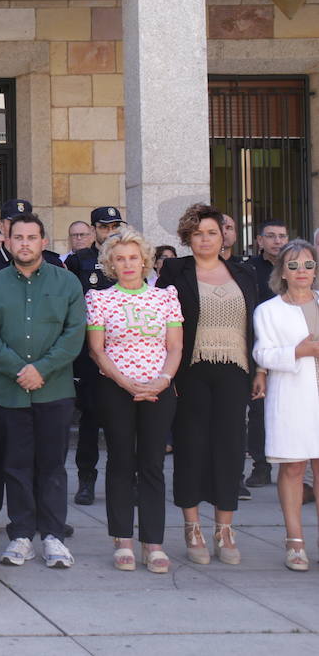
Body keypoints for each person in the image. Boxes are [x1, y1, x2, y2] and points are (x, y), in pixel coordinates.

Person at [0, 213, 85, 569]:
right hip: (10, 392)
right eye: (17, 237)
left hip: (54, 390)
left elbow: (74, 334)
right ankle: (21, 535)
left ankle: (53, 536)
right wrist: (18, 370)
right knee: (16, 465)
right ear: (6, 241)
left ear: (43, 241)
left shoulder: (67, 283)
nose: (24, 243)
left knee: (52, 465)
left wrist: (42, 369)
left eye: (31, 237)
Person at [156, 202, 259, 566]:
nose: (205, 239)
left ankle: (224, 529)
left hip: (235, 370)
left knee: (231, 447)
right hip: (191, 373)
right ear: (188, 237)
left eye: (212, 232)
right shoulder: (174, 270)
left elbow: (253, 326)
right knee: (192, 447)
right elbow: (162, 324)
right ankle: (193, 527)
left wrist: (258, 370)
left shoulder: (243, 274)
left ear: (224, 236)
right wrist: (168, 373)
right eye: (198, 233)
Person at [84, 229, 182, 573]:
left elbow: (175, 347)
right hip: (116, 388)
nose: (127, 264)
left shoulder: (165, 297)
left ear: (145, 261)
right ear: (111, 263)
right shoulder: (99, 299)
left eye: (134, 257)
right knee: (121, 461)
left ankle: (153, 543)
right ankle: (123, 539)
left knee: (153, 464)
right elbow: (97, 350)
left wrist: (162, 380)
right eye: (120, 258)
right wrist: (126, 383)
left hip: (158, 389)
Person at [0, 198, 65, 526]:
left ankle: (45, 517)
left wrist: (40, 367)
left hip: (47, 376)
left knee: (46, 451)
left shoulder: (53, 264)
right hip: (1, 374)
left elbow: (67, 324)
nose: (17, 232)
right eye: (9, 222)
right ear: (4, 228)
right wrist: (17, 366)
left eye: (27, 231)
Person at [252, 239, 319, 570]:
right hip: (293, 394)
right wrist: (298, 351)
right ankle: (295, 542)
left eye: (308, 265)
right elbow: (262, 354)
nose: (302, 272)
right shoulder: (269, 311)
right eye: (293, 266)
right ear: (282, 271)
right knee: (292, 466)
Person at [65, 206, 126, 507]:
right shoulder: (79, 261)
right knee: (90, 419)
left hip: (124, 351)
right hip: (89, 352)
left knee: (123, 421)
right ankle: (86, 480)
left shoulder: (127, 258)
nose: (110, 231)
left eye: (115, 226)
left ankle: (126, 481)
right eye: (104, 227)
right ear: (93, 231)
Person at [242, 219, 288, 491]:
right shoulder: (249, 269)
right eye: (270, 236)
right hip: (258, 346)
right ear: (259, 240)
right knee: (258, 408)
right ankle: (261, 466)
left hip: (292, 347)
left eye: (281, 236)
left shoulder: (295, 267)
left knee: (286, 406)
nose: (277, 241)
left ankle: (291, 464)